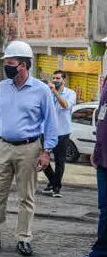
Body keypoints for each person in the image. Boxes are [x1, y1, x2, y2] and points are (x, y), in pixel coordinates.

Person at [0, 40, 58, 257]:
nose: (7, 66)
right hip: (3, 146)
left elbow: (50, 122)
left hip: (29, 149)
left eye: (10, 63)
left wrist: (46, 152)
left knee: (26, 197)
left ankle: (24, 239)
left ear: (23, 64)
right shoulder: (3, 87)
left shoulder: (41, 90)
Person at [81, 38, 107, 257]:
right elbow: (102, 118)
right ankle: (100, 252)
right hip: (103, 157)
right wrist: (96, 150)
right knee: (104, 209)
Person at [41, 70, 76, 198]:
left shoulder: (70, 93)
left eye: (58, 78)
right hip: (47, 131)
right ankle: (52, 182)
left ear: (64, 80)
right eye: (54, 78)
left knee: (60, 161)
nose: (55, 80)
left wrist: (54, 92)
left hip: (62, 132)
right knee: (42, 159)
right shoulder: (46, 93)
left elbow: (65, 105)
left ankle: (56, 188)